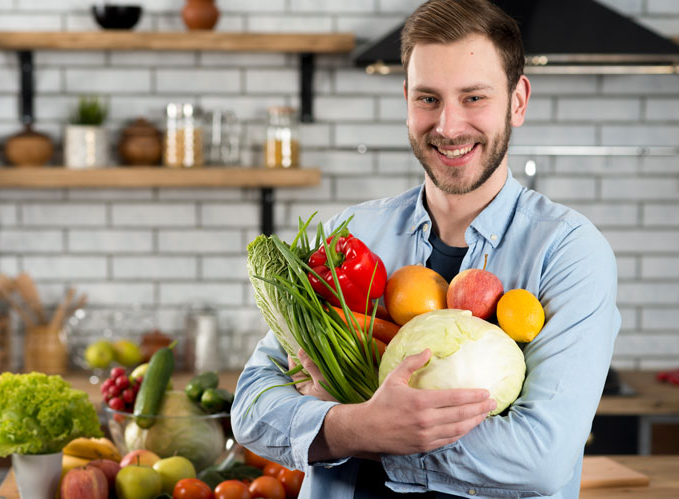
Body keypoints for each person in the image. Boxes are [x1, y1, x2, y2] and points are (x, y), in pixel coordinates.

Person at [231, 0, 621, 497]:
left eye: (474, 97)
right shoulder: (349, 237)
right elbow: (251, 408)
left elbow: (539, 457)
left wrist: (352, 426)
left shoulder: (567, 252)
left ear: (517, 101)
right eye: (428, 99)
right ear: (406, 99)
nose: (449, 126)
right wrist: (363, 425)